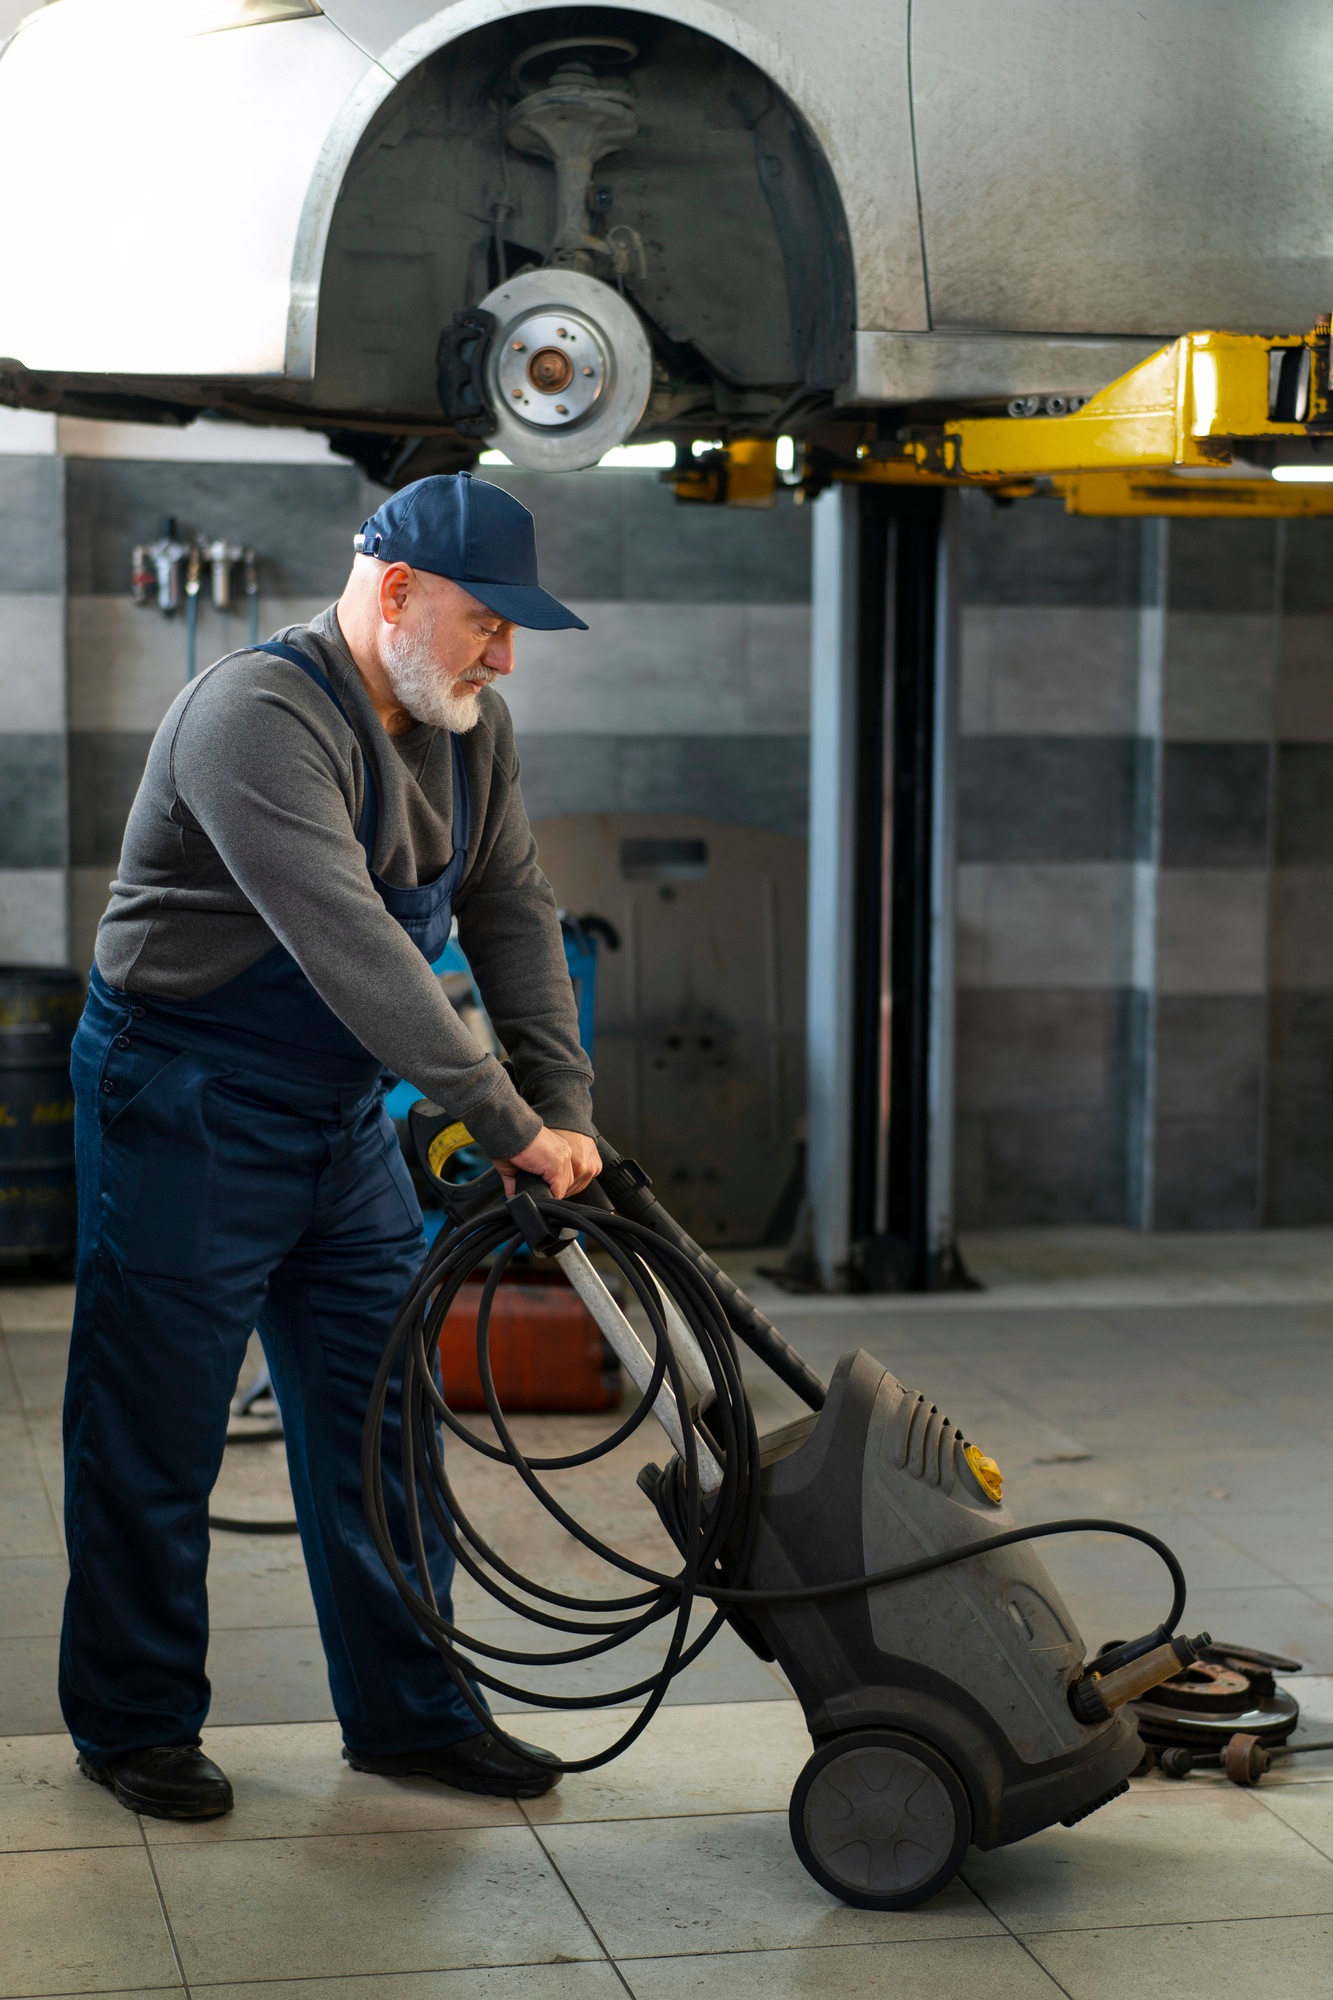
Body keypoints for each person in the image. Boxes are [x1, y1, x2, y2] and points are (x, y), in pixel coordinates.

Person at [61, 473, 600, 1820]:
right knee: (156, 1426)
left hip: (338, 1113)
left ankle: (412, 1717)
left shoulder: (472, 730)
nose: (506, 654)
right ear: (396, 590)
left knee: (383, 1417)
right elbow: (357, 951)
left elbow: (513, 912)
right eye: (489, 623)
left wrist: (568, 1111)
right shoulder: (253, 717)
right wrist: (504, 1123)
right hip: (186, 1093)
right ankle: (132, 1724)